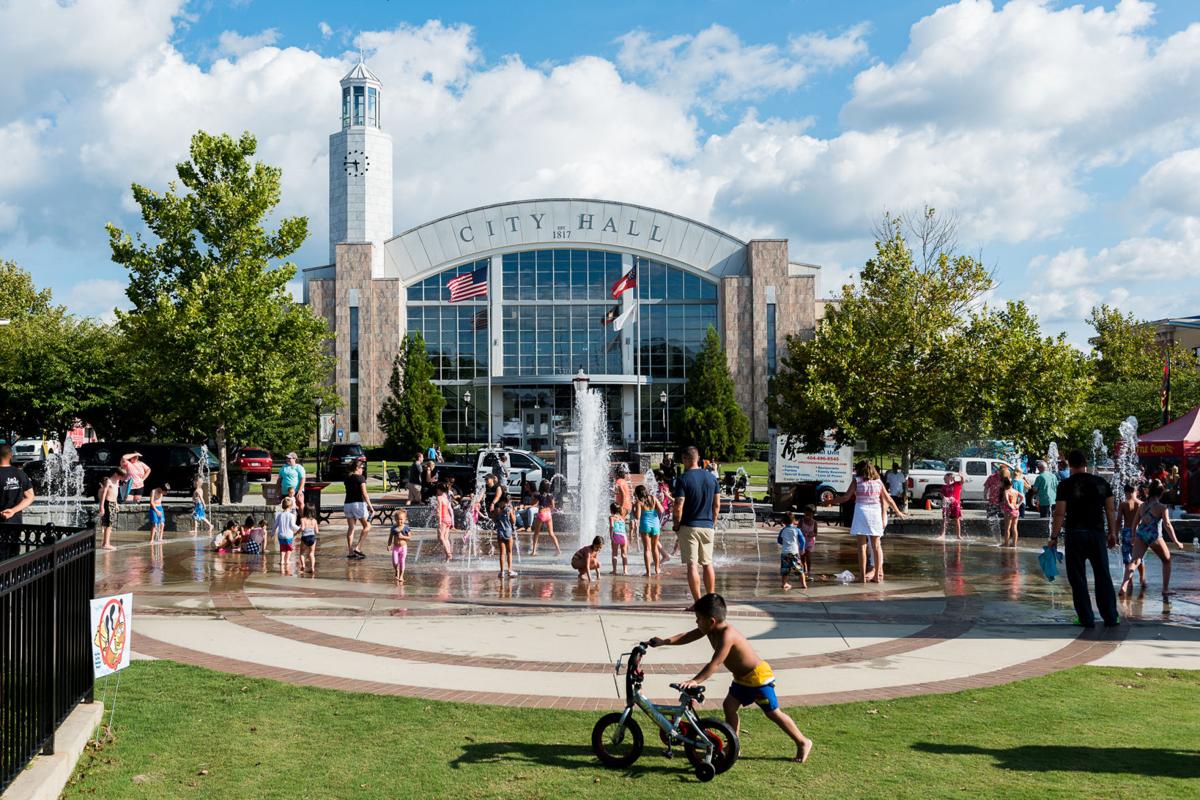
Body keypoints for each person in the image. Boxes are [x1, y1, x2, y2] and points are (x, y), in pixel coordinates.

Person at [649, 593, 814, 764]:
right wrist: (664, 642)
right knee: (729, 706)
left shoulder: (728, 635)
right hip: (742, 678)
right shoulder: (709, 629)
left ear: (711, 621)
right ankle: (734, 746)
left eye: (698, 619)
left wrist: (695, 681)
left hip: (757, 678)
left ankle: (803, 741)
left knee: (773, 713)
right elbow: (687, 636)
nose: (696, 622)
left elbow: (716, 662)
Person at [1048, 449, 1119, 629]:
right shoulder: (1102, 483)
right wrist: (1112, 533)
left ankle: (1086, 618)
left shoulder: (1065, 485)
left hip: (1075, 534)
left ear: (1070, 465)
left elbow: (1059, 513)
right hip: (1096, 534)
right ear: (1085, 463)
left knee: (1077, 577)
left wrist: (1054, 537)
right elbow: (1110, 510)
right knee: (1103, 574)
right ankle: (1111, 616)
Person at [829, 460, 904, 583]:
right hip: (875, 514)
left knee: (861, 547)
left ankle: (862, 577)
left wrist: (829, 502)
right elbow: (888, 498)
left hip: (861, 513)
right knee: (876, 546)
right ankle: (877, 576)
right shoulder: (878, 482)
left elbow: (845, 497)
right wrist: (897, 511)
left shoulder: (857, 481)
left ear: (859, 469)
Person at [1119, 480, 1182, 603]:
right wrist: (1176, 541)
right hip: (1154, 536)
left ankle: (1124, 585)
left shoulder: (1142, 506)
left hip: (1141, 534)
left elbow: (1135, 522)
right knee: (1167, 560)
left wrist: (1133, 536)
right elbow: (1167, 525)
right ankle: (1165, 589)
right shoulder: (1162, 507)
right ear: (1161, 493)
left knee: (1135, 561)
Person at [673, 446, 721, 605]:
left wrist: (676, 524)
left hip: (689, 526)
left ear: (686, 459)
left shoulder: (683, 479)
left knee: (692, 564)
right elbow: (717, 505)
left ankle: (698, 603)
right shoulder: (712, 478)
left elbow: (679, 505)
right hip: (707, 526)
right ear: (698, 458)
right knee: (708, 564)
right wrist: (713, 522)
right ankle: (712, 600)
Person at [1116, 485, 1146, 592]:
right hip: (1139, 533)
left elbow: (1119, 520)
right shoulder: (1141, 504)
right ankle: (1142, 579)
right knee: (1139, 557)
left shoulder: (1123, 504)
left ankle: (1130, 582)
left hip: (1127, 532)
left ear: (1126, 492)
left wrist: (1115, 534)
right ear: (1136, 491)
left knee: (1127, 558)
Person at [343, 460, 373, 560]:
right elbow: (364, 494)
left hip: (347, 504)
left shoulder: (347, 478)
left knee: (351, 528)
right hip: (358, 504)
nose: (363, 469)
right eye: (361, 468)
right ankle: (358, 548)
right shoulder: (360, 478)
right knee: (367, 526)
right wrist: (370, 506)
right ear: (357, 468)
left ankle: (351, 551)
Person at [634, 484, 665, 576]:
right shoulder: (653, 498)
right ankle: (657, 569)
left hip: (645, 525)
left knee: (647, 549)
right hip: (655, 525)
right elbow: (662, 510)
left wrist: (634, 508)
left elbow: (638, 516)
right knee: (655, 548)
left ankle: (648, 572)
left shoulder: (639, 502)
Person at [0, 444, 35, 525]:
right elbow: (30, 497)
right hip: (15, 523)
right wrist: (13, 511)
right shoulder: (20, 474)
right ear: (11, 456)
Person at [777, 512, 807, 591]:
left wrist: (784, 544)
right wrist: (802, 549)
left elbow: (779, 540)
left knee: (785, 570)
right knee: (799, 569)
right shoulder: (797, 530)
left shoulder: (782, 530)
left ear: (783, 522)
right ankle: (803, 584)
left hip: (785, 553)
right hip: (794, 552)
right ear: (794, 521)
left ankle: (784, 584)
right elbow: (803, 540)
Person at [530, 479, 560, 556]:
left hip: (541, 513)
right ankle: (558, 550)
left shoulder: (538, 495)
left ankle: (533, 551)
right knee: (551, 533)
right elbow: (553, 506)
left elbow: (533, 503)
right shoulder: (550, 496)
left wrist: (533, 497)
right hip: (548, 514)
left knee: (536, 533)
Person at [96, 468, 122, 550]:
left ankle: (105, 543)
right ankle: (106, 544)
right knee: (108, 524)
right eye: (120, 477)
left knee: (110, 524)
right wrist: (102, 506)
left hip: (113, 503)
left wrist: (116, 504)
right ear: (116, 474)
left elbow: (116, 493)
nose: (121, 479)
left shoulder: (117, 481)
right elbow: (104, 493)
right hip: (108, 503)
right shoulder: (109, 481)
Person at [273, 496, 300, 574]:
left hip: (280, 535)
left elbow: (275, 525)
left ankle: (281, 561)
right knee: (289, 549)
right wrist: (299, 529)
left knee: (282, 548)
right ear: (291, 507)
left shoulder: (279, 515)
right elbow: (292, 525)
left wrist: (272, 533)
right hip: (288, 535)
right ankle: (287, 560)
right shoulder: (292, 515)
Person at [494, 494, 517, 578]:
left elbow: (494, 519)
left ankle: (502, 572)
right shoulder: (509, 509)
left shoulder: (498, 509)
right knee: (509, 552)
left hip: (500, 532)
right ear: (508, 501)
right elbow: (513, 521)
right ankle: (510, 570)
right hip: (508, 532)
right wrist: (513, 512)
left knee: (502, 553)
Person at [388, 509, 411, 582]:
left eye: (401, 519)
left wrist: (403, 537)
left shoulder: (406, 528)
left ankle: (401, 576)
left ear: (405, 519)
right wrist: (389, 545)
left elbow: (409, 537)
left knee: (402, 561)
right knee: (395, 562)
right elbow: (390, 537)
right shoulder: (393, 528)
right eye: (397, 519)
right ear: (395, 519)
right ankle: (396, 570)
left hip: (403, 548)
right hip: (395, 548)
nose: (399, 521)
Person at [940, 472, 965, 540]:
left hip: (956, 505)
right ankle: (942, 534)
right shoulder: (944, 486)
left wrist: (961, 476)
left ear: (950, 477)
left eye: (945, 477)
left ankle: (958, 535)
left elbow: (962, 481)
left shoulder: (956, 484)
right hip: (947, 505)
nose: (944, 479)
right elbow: (942, 494)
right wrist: (944, 497)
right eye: (944, 478)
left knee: (957, 520)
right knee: (945, 520)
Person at [434, 482, 455, 561]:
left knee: (441, 538)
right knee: (446, 538)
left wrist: (439, 522)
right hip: (448, 518)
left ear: (439, 489)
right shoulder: (445, 497)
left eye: (437, 489)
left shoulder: (439, 498)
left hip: (442, 519)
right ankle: (448, 557)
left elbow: (439, 510)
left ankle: (448, 554)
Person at [1000, 476, 1021, 547]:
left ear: (1004, 484)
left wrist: (1009, 505)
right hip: (1016, 511)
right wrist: (1018, 504)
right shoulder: (1015, 491)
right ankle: (1014, 544)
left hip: (1009, 511)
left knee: (1007, 528)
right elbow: (1022, 497)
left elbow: (1006, 501)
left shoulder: (1006, 491)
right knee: (1014, 527)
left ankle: (1006, 543)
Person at [609, 502, 629, 575]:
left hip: (616, 535)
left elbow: (612, 526)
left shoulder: (611, 517)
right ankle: (625, 571)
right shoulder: (622, 517)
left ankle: (614, 570)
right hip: (623, 536)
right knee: (624, 554)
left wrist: (611, 536)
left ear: (611, 510)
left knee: (614, 554)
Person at [298, 506, 319, 574]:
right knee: (312, 553)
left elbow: (303, 528)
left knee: (301, 553)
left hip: (305, 537)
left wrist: (297, 532)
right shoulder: (314, 520)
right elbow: (317, 531)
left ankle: (303, 565)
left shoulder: (303, 519)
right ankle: (312, 568)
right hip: (312, 538)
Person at [799, 505, 818, 575]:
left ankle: (809, 571)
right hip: (802, 541)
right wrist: (801, 534)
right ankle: (804, 569)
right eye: (806, 514)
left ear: (813, 514)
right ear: (804, 513)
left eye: (809, 514)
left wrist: (812, 534)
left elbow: (816, 533)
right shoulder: (801, 521)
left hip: (810, 541)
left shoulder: (814, 522)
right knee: (802, 557)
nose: (807, 516)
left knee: (808, 556)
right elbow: (797, 530)